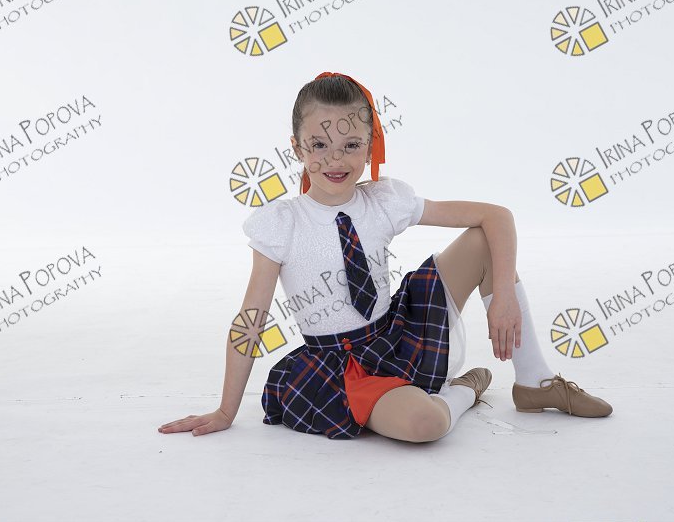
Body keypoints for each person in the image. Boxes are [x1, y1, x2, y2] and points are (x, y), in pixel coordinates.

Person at [158, 72, 612, 443]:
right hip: (341, 365)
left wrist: (505, 297)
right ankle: (463, 391)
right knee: (426, 425)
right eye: (319, 145)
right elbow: (250, 320)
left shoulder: (382, 200)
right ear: (297, 147)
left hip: (396, 332)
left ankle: (534, 382)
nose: (336, 159)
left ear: (370, 145)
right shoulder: (282, 223)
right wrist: (225, 410)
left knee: (482, 240)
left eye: (351, 145)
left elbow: (497, 217)